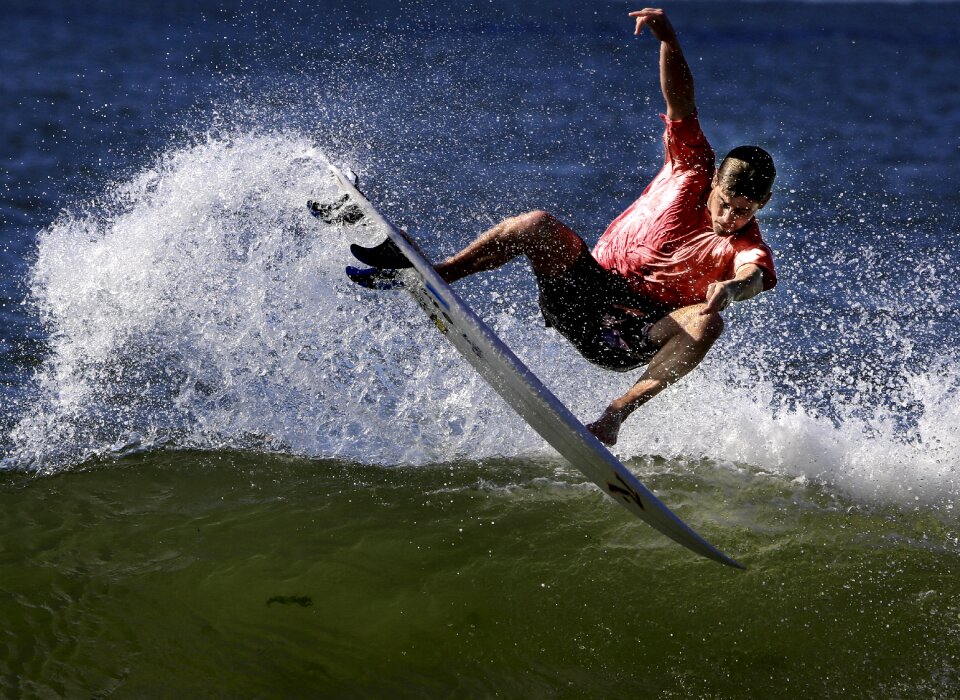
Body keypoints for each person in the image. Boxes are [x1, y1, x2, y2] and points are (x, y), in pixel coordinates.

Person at [354, 8, 778, 447]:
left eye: (745, 211)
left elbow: (754, 273)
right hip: (582, 294)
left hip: (630, 334)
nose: (731, 218)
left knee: (708, 323)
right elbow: (682, 102)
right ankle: (438, 274)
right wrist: (668, 41)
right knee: (536, 225)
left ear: (761, 204)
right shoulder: (690, 167)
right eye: (726, 205)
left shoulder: (745, 243)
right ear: (714, 185)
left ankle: (613, 416)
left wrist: (731, 289)